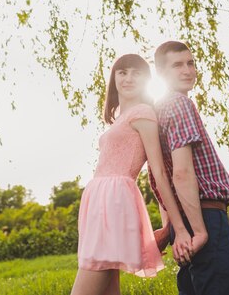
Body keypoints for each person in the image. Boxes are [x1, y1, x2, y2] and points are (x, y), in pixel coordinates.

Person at [71, 54, 193, 295]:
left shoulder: (143, 114)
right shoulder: (119, 119)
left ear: (146, 80)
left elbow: (158, 172)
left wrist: (175, 226)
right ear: (114, 78)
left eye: (136, 73)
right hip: (98, 203)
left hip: (114, 202)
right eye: (122, 72)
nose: (128, 78)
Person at [150, 41, 229, 295]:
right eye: (177, 65)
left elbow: (158, 178)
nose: (187, 70)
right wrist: (200, 232)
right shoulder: (178, 103)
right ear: (161, 74)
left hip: (186, 220)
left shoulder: (157, 111)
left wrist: (173, 230)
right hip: (206, 218)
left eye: (190, 63)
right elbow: (181, 173)